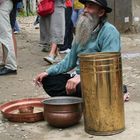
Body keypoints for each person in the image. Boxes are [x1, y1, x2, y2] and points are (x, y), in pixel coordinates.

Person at [34, 0, 129, 101]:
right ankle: (91, 97)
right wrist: (48, 72)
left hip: (100, 78)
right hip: (80, 78)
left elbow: (108, 65)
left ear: (101, 12)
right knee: (49, 80)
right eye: (85, 6)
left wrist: (83, 78)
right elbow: (68, 61)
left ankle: (113, 90)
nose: (85, 10)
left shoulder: (109, 31)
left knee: (82, 86)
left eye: (90, 7)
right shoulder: (83, 30)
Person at [0, 0, 17, 75]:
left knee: (6, 35)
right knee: (5, 35)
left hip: (4, 3)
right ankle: (9, 64)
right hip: (5, 3)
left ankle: (11, 66)